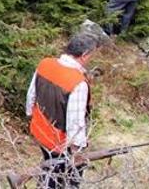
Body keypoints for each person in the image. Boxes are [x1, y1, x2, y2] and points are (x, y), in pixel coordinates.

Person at [25, 33, 98, 189]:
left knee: (48, 168)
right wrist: (77, 152)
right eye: (91, 55)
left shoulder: (45, 63)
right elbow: (75, 122)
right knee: (61, 179)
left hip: (40, 131)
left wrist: (31, 117)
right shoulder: (77, 82)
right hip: (59, 143)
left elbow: (31, 96)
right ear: (84, 55)